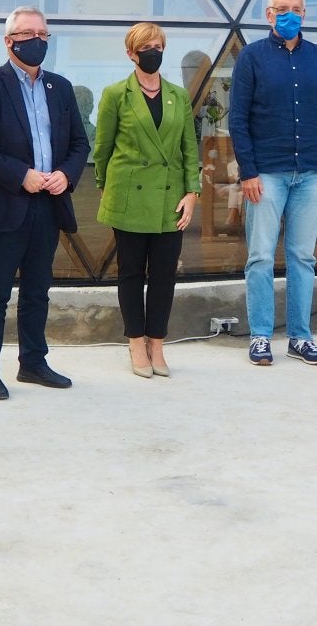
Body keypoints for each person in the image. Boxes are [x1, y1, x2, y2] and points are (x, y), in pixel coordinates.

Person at [0, 6, 90, 400]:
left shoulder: (60, 87)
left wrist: (65, 175)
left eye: (42, 34)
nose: (36, 40)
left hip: (49, 205)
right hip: (6, 204)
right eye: (27, 33)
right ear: (9, 41)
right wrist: (22, 174)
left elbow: (79, 143)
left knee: (38, 290)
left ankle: (33, 362)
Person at [228, 0, 317, 366]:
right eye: (282, 8)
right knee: (260, 256)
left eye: (296, 8)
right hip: (267, 173)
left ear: (304, 14)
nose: (289, 14)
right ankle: (261, 336)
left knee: (302, 257)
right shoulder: (252, 57)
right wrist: (248, 171)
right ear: (269, 14)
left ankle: (300, 337)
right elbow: (239, 119)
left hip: (311, 173)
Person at [92, 23, 200, 378]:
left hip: (170, 199)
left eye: (159, 45)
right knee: (131, 272)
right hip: (130, 196)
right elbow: (103, 148)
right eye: (146, 47)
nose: (154, 51)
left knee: (165, 274)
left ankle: (157, 341)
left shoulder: (178, 96)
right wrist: (105, 187)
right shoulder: (115, 95)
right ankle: (136, 341)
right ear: (131, 54)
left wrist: (192, 192)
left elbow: (188, 148)